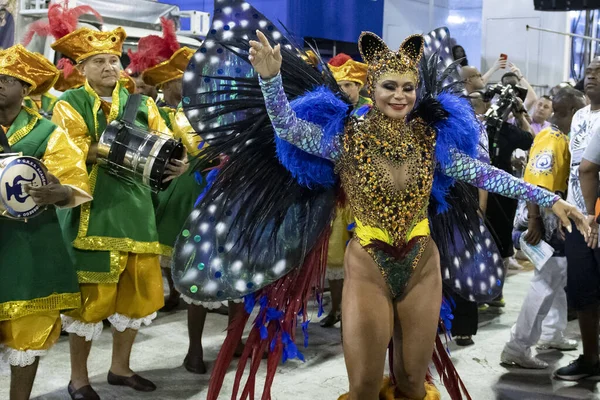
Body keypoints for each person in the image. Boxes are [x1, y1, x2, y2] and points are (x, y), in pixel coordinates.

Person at [179, 5, 588, 396]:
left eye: (408, 87)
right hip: (369, 262)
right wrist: (270, 81)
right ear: (372, 88)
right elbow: (288, 128)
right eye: (390, 86)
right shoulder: (346, 137)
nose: (400, 95)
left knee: (412, 382)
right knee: (363, 387)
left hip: (422, 263)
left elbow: (483, 173)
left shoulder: (430, 138)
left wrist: (549, 199)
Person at [24, 4, 186, 397]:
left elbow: (166, 140)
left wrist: (177, 163)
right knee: (89, 304)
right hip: (92, 212)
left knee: (136, 297)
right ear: (82, 68)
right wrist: (116, 149)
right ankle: (78, 378)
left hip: (136, 212)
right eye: (99, 61)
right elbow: (67, 149)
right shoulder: (70, 103)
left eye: (114, 60)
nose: (110, 67)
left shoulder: (143, 103)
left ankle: (120, 368)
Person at [0, 44, 91, 400]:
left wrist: (60, 192)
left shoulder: (49, 132)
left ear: (26, 90)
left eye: (8, 79)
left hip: (31, 247)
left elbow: (75, 180)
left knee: (29, 332)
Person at [500, 87, 586, 369]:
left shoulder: (563, 138)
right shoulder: (552, 139)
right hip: (545, 220)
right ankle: (518, 346)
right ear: (571, 112)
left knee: (558, 280)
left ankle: (552, 333)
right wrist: (535, 220)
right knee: (546, 282)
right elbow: (535, 182)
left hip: (553, 218)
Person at [319, 53, 370, 328]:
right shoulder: (329, 114)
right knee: (335, 258)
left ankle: (361, 312)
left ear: (360, 85)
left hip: (367, 198)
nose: (346, 90)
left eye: (350, 84)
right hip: (337, 195)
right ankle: (337, 309)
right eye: (341, 85)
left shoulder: (374, 112)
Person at [563, 58, 600, 381]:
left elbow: (591, 170)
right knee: (582, 291)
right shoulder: (579, 115)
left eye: (599, 72)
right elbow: (577, 167)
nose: (592, 77)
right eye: (589, 72)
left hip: (596, 217)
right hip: (577, 216)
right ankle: (590, 358)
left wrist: (594, 215)